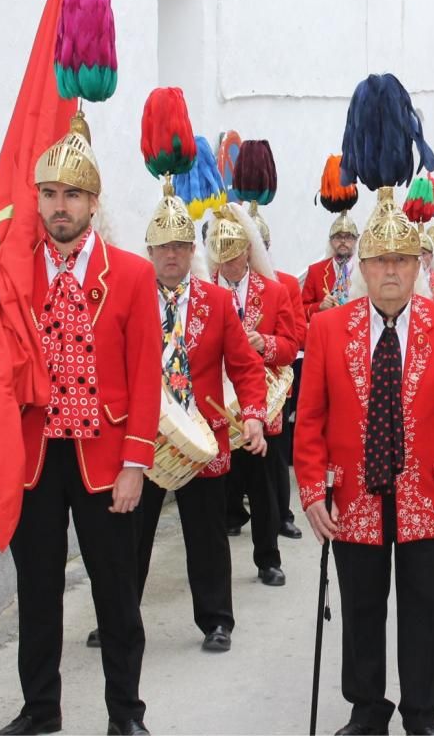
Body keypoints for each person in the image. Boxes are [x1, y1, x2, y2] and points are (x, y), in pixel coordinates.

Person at [295, 187, 434, 736]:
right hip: (353, 494)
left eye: (401, 261)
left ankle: (422, 712)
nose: (390, 272)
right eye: (379, 260)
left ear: (416, 265)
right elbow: (309, 418)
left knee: (425, 606)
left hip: (430, 493)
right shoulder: (328, 328)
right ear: (363, 265)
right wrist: (312, 489)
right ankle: (366, 708)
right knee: (360, 605)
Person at [0, 113, 161, 736]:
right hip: (37, 456)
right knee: (36, 594)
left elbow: (148, 376)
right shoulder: (13, 273)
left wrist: (134, 465)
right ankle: (41, 709)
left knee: (116, 596)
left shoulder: (131, 274)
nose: (58, 206)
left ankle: (126, 715)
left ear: (93, 201)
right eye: (49, 194)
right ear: (37, 198)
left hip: (105, 458)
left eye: (71, 194)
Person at [123, 192, 268, 653]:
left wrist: (254, 417)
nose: (171, 254)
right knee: (131, 534)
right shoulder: (130, 301)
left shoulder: (217, 302)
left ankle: (216, 620)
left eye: (180, 245)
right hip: (144, 438)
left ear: (192, 251)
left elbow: (245, 366)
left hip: (204, 438)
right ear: (150, 251)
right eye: (162, 245)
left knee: (206, 534)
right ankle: (119, 614)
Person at [209, 204, 299, 585]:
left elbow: (292, 345)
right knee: (216, 488)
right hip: (217, 402)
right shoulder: (206, 290)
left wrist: (266, 344)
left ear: (248, 250)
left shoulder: (274, 292)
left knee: (263, 487)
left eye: (234, 256)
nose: (229, 265)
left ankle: (268, 558)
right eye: (222, 258)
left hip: (261, 400)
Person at [252, 208, 306, 540]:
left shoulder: (283, 283)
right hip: (231, 389)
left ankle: (282, 515)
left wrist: (266, 343)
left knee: (274, 459)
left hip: (272, 385)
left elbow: (296, 331)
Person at [302, 212, 359, 317]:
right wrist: (320, 306)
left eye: (348, 237)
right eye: (338, 237)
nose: (343, 241)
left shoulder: (365, 270)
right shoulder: (315, 271)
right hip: (327, 330)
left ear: (356, 240)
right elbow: (300, 311)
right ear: (331, 241)